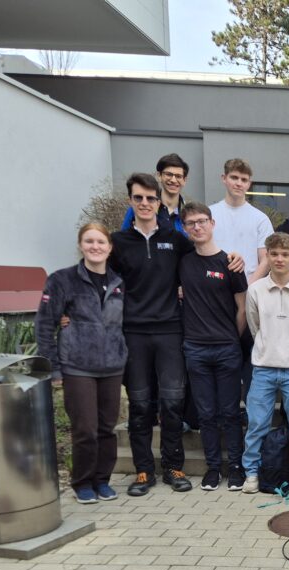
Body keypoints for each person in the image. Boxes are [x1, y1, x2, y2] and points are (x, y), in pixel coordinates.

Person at [111, 174, 196, 496]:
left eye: (150, 198)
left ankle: (173, 466)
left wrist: (233, 258)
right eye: (138, 198)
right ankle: (143, 470)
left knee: (172, 403)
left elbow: (202, 257)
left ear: (159, 203)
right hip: (133, 333)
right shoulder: (117, 243)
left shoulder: (175, 239)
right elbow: (96, 279)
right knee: (140, 405)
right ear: (130, 201)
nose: (144, 203)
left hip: (169, 331)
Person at [35, 223, 126, 504]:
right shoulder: (62, 280)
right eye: (89, 241)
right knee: (85, 429)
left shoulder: (119, 282)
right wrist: (53, 368)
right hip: (77, 366)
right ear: (80, 245)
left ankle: (103, 480)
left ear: (110, 247)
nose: (95, 246)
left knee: (107, 429)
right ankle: (83, 482)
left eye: (101, 242)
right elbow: (45, 324)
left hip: (112, 366)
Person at [178, 201, 248, 491]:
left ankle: (236, 467)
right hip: (195, 349)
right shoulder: (183, 262)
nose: (197, 227)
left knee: (230, 412)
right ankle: (213, 468)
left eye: (202, 221)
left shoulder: (230, 263)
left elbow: (242, 308)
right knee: (206, 414)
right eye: (191, 223)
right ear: (185, 228)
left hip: (226, 348)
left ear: (212, 223)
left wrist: (232, 338)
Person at [242, 233, 289, 496]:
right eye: (274, 254)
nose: (279, 259)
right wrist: (267, 347)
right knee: (257, 424)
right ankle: (252, 472)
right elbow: (254, 326)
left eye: (285, 254)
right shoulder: (256, 289)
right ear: (268, 256)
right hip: (263, 367)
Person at [210, 158, 273, 283]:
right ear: (224, 178)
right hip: (212, 286)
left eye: (244, 180)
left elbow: (266, 260)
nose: (239, 183)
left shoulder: (261, 219)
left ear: (249, 184)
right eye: (234, 177)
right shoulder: (209, 214)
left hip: (248, 286)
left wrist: (248, 288)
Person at [120, 153, 189, 234]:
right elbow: (124, 237)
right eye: (168, 174)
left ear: (184, 180)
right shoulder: (140, 207)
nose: (173, 180)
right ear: (159, 176)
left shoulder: (188, 213)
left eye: (178, 176)